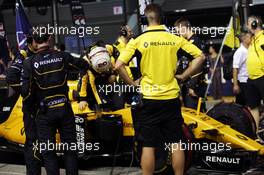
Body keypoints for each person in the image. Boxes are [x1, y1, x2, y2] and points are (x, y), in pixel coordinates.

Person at [115, 4, 205, 175]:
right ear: (163, 19)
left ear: (144, 20)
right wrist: (185, 76)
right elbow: (200, 56)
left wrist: (132, 84)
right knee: (176, 142)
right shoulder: (175, 39)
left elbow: (118, 65)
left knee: (148, 144)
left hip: (148, 100)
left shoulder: (137, 41)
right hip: (171, 99)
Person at [21, 27, 89, 175]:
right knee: (70, 150)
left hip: (44, 112)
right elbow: (84, 65)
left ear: (34, 41)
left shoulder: (29, 62)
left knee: (48, 153)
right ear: (49, 38)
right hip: (65, 109)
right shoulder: (63, 56)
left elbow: (25, 93)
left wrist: (31, 110)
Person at [6, 33, 41, 175]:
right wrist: (26, 92)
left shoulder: (42, 53)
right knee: (32, 141)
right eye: (37, 41)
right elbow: (11, 77)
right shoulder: (24, 54)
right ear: (30, 42)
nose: (40, 43)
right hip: (31, 105)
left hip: (45, 105)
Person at [174, 17, 208, 112]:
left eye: (179, 31)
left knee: (194, 116)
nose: (178, 34)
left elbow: (199, 65)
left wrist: (193, 86)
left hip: (193, 87)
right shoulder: (189, 42)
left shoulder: (195, 42)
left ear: (184, 28)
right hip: (188, 85)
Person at [78, 41, 122, 111]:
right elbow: (83, 81)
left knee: (120, 104)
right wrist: (82, 99)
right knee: (105, 106)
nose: (103, 71)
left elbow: (121, 61)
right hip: (96, 82)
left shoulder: (108, 48)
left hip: (112, 77)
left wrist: (114, 73)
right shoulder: (85, 61)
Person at [246, 15, 264, 132]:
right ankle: (256, 133)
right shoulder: (253, 39)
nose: (247, 26)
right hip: (252, 78)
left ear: (254, 23)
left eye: (248, 23)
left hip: (262, 76)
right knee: (253, 107)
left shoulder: (263, 37)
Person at [233, 30, 252, 106]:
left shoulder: (249, 50)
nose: (252, 39)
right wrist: (235, 85)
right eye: (250, 37)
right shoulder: (240, 52)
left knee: (250, 105)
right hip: (243, 82)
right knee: (241, 106)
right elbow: (235, 69)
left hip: (249, 81)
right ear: (244, 39)